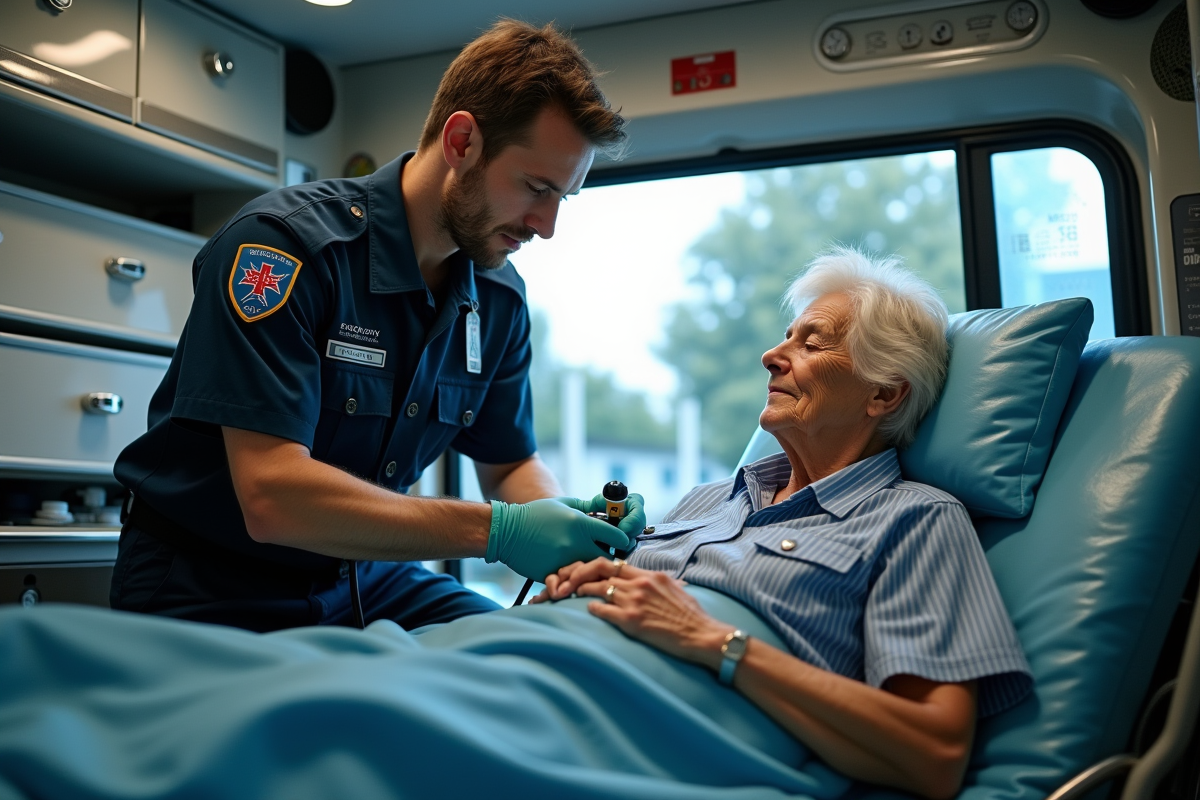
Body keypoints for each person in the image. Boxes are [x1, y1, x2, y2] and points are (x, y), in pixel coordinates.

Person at [109, 20, 644, 633]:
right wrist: (500, 530)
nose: (546, 227)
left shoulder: (499, 299)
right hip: (212, 582)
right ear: (462, 142)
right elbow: (272, 495)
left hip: (361, 576)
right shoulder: (285, 250)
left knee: (535, 648)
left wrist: (571, 529)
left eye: (562, 199)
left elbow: (508, 466)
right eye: (536, 188)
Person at [533, 247, 1033, 800]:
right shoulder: (705, 500)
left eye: (812, 343)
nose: (771, 356)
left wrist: (714, 640)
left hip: (608, 730)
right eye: (786, 337)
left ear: (884, 394)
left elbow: (934, 755)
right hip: (538, 659)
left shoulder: (916, 519)